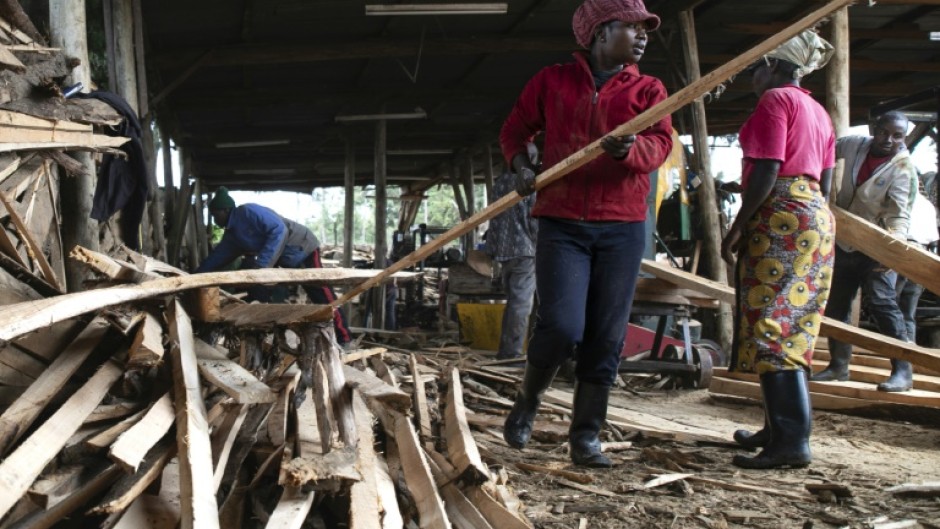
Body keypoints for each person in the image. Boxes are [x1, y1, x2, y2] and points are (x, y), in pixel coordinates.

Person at [499, 0, 672, 468]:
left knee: (606, 334)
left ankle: (586, 436)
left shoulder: (649, 89)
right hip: (563, 223)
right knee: (561, 326)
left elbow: (660, 145)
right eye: (632, 27)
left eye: (645, 30)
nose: (642, 36)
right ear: (600, 32)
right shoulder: (552, 81)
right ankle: (528, 400)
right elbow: (515, 131)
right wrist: (522, 166)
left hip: (622, 227)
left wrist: (630, 150)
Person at [721, 30, 835, 469]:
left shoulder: (775, 100)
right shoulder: (818, 110)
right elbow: (825, 180)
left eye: (756, 67)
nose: (753, 76)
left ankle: (790, 442)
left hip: (781, 214)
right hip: (815, 213)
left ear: (773, 66)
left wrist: (739, 225)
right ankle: (776, 428)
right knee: (793, 321)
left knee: (773, 323)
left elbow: (768, 169)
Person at [811, 111, 917, 392]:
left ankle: (903, 371)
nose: (889, 140)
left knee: (882, 303)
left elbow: (900, 215)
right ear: (874, 129)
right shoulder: (853, 145)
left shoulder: (903, 168)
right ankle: (838, 366)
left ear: (904, 138)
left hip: (875, 245)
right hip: (844, 239)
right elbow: (824, 151)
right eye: (883, 132)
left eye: (897, 136)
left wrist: (892, 251)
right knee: (837, 305)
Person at [196, 187, 351, 345]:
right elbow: (217, 257)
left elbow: (279, 230)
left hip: (302, 247)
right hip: (283, 258)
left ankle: (344, 338)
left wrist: (261, 265)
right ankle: (261, 336)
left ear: (225, 210)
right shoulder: (233, 235)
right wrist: (195, 276)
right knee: (257, 291)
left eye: (215, 214)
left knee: (322, 295)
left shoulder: (248, 212)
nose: (214, 219)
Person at [485, 143, 540, 361]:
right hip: (526, 251)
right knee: (522, 305)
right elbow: (534, 220)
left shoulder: (500, 183)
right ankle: (511, 354)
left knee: (514, 303)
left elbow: (493, 220)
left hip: (505, 253)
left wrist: (492, 251)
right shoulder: (529, 183)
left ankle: (508, 351)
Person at [894, 186, 938, 344]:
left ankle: (895, 345)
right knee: (908, 311)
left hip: (901, 250)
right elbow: (934, 239)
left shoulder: (901, 200)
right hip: (922, 254)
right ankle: (909, 348)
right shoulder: (928, 206)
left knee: (890, 305)